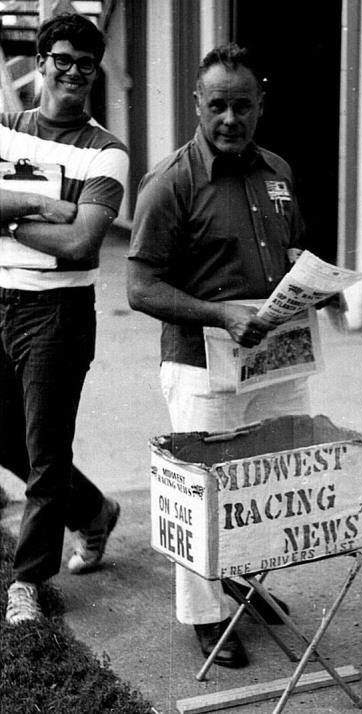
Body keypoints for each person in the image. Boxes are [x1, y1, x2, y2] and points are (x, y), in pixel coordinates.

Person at [127, 43, 313, 668]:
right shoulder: (171, 182)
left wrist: (312, 290)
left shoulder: (279, 171)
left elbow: (291, 251)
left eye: (241, 105)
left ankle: (246, 581)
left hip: (276, 360)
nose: (230, 118)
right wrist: (217, 312)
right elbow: (140, 287)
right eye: (218, 107)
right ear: (197, 107)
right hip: (199, 365)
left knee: (267, 480)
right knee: (201, 493)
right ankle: (206, 615)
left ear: (260, 105)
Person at [0, 12, 129, 625]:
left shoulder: (106, 151)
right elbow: (65, 223)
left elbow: (82, 244)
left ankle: (28, 582)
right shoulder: (5, 126)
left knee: (46, 451)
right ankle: (94, 512)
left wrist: (6, 218)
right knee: (8, 440)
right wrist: (42, 204)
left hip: (57, 313)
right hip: (0, 298)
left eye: (86, 64)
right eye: (63, 60)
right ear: (41, 62)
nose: (75, 73)